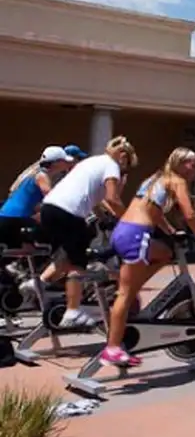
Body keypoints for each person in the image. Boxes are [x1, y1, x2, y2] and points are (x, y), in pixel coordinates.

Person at [102, 147, 195, 367]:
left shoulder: (156, 179)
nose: (194, 169)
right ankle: (113, 348)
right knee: (125, 295)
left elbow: (153, 212)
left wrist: (171, 232)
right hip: (137, 235)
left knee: (164, 253)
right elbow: (190, 214)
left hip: (124, 231)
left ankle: (128, 292)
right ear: (177, 163)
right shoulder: (177, 181)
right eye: (190, 164)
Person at [35, 136, 137, 330]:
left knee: (65, 256)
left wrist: (107, 216)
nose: (124, 171)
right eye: (127, 166)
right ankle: (72, 311)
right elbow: (113, 199)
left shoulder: (92, 162)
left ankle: (39, 283)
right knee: (78, 262)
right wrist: (131, 222)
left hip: (50, 209)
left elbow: (96, 199)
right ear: (123, 156)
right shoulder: (111, 165)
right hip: (68, 213)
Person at [0, 146, 73, 250]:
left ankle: (19, 264)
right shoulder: (42, 176)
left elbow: (34, 204)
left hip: (7, 218)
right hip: (16, 220)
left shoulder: (35, 174)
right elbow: (53, 199)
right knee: (57, 235)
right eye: (64, 161)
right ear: (56, 163)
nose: (68, 163)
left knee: (29, 249)